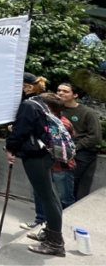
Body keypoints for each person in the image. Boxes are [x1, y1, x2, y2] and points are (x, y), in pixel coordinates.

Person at [6, 80, 66, 256]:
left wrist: (10, 148)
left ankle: (55, 243)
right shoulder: (40, 106)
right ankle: (51, 233)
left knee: (47, 197)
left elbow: (20, 132)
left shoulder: (29, 106)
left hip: (36, 157)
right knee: (51, 196)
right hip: (45, 154)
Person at [57, 82, 101, 201]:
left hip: (81, 152)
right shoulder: (55, 110)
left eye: (65, 91)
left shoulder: (87, 112)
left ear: (75, 95)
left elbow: (95, 137)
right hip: (59, 150)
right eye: (59, 90)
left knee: (71, 184)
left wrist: (76, 147)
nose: (60, 93)